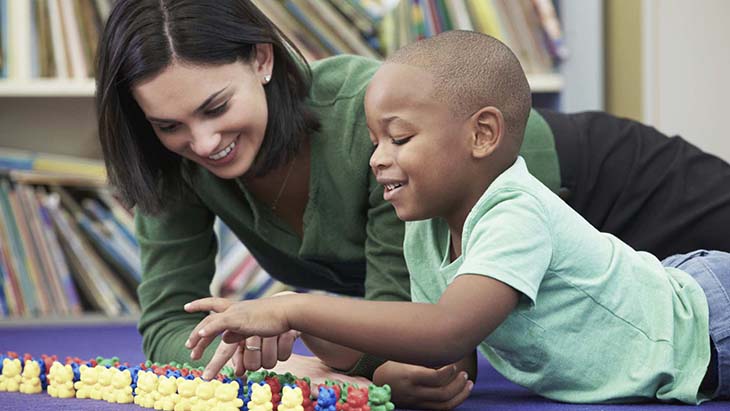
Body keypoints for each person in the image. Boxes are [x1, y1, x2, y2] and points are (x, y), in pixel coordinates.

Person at [96, 0, 730, 408]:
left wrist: (291, 311)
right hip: (560, 285)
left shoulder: (387, 142)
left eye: (215, 108)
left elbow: (440, 330)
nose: (200, 142)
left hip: (611, 188)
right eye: (168, 125)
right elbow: (170, 328)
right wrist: (300, 365)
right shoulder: (410, 198)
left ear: (262, 59)